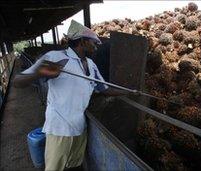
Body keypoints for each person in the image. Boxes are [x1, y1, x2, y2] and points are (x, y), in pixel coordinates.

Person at [13, 20, 138, 171]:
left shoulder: (91, 65)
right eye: (93, 42)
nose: (96, 46)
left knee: (75, 166)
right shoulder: (55, 57)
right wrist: (40, 71)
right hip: (59, 129)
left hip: (79, 128)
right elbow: (18, 81)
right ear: (83, 42)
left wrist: (128, 91)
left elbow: (104, 89)